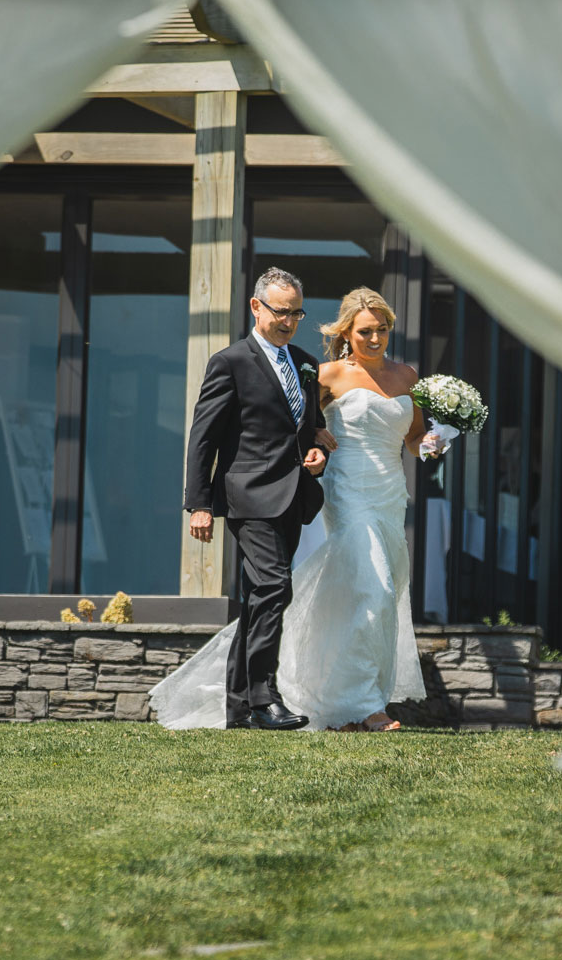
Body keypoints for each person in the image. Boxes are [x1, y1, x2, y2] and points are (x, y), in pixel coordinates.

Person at [154, 285, 448, 732]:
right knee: (373, 589)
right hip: (346, 493)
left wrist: (430, 444)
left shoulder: (401, 376)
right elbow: (255, 427)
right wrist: (200, 501)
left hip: (390, 494)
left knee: (365, 596)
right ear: (346, 332)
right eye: (366, 331)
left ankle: (285, 699)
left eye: (382, 330)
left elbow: (408, 436)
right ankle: (363, 707)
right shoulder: (325, 373)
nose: (374, 339)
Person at [177, 267, 332, 729]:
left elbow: (311, 428)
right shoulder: (230, 362)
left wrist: (318, 454)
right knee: (273, 587)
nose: (288, 321)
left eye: (296, 313)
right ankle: (265, 699)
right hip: (247, 495)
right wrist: (198, 503)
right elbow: (202, 438)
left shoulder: (305, 362)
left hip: (292, 497)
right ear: (256, 307)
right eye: (280, 311)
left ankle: (239, 707)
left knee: (258, 598)